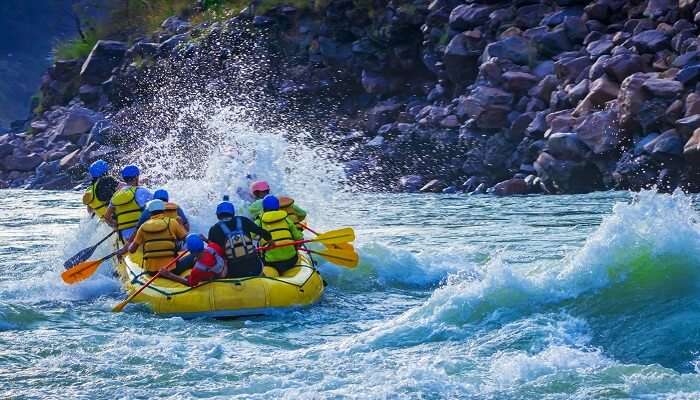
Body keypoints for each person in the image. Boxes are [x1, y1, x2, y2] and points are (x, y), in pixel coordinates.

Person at [208, 198, 272, 278]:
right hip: (255, 267)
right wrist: (270, 242)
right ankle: (263, 279)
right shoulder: (243, 220)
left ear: (217, 215)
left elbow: (212, 251)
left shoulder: (214, 229)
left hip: (234, 272)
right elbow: (263, 233)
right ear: (233, 213)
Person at [120, 199, 188, 273]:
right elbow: (186, 239)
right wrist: (180, 224)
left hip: (151, 271)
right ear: (164, 210)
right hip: (172, 268)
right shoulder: (172, 222)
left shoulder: (143, 227)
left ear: (150, 213)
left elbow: (132, 250)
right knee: (193, 256)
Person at [257, 195, 304, 276]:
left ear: (263, 209)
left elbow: (250, 237)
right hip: (291, 260)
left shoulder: (259, 222)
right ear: (278, 207)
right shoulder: (286, 219)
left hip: (271, 262)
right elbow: (298, 237)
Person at [103, 165, 152, 242]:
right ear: (136, 178)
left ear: (124, 179)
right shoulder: (141, 191)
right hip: (141, 234)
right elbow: (159, 203)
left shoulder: (116, 195)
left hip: (124, 237)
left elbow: (106, 218)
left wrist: (115, 226)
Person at [159, 234, 227, 287]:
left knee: (187, 276)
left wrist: (168, 274)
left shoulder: (198, 269)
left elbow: (190, 283)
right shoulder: (213, 246)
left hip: (215, 277)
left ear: (191, 251)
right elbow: (217, 250)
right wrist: (206, 239)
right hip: (224, 270)